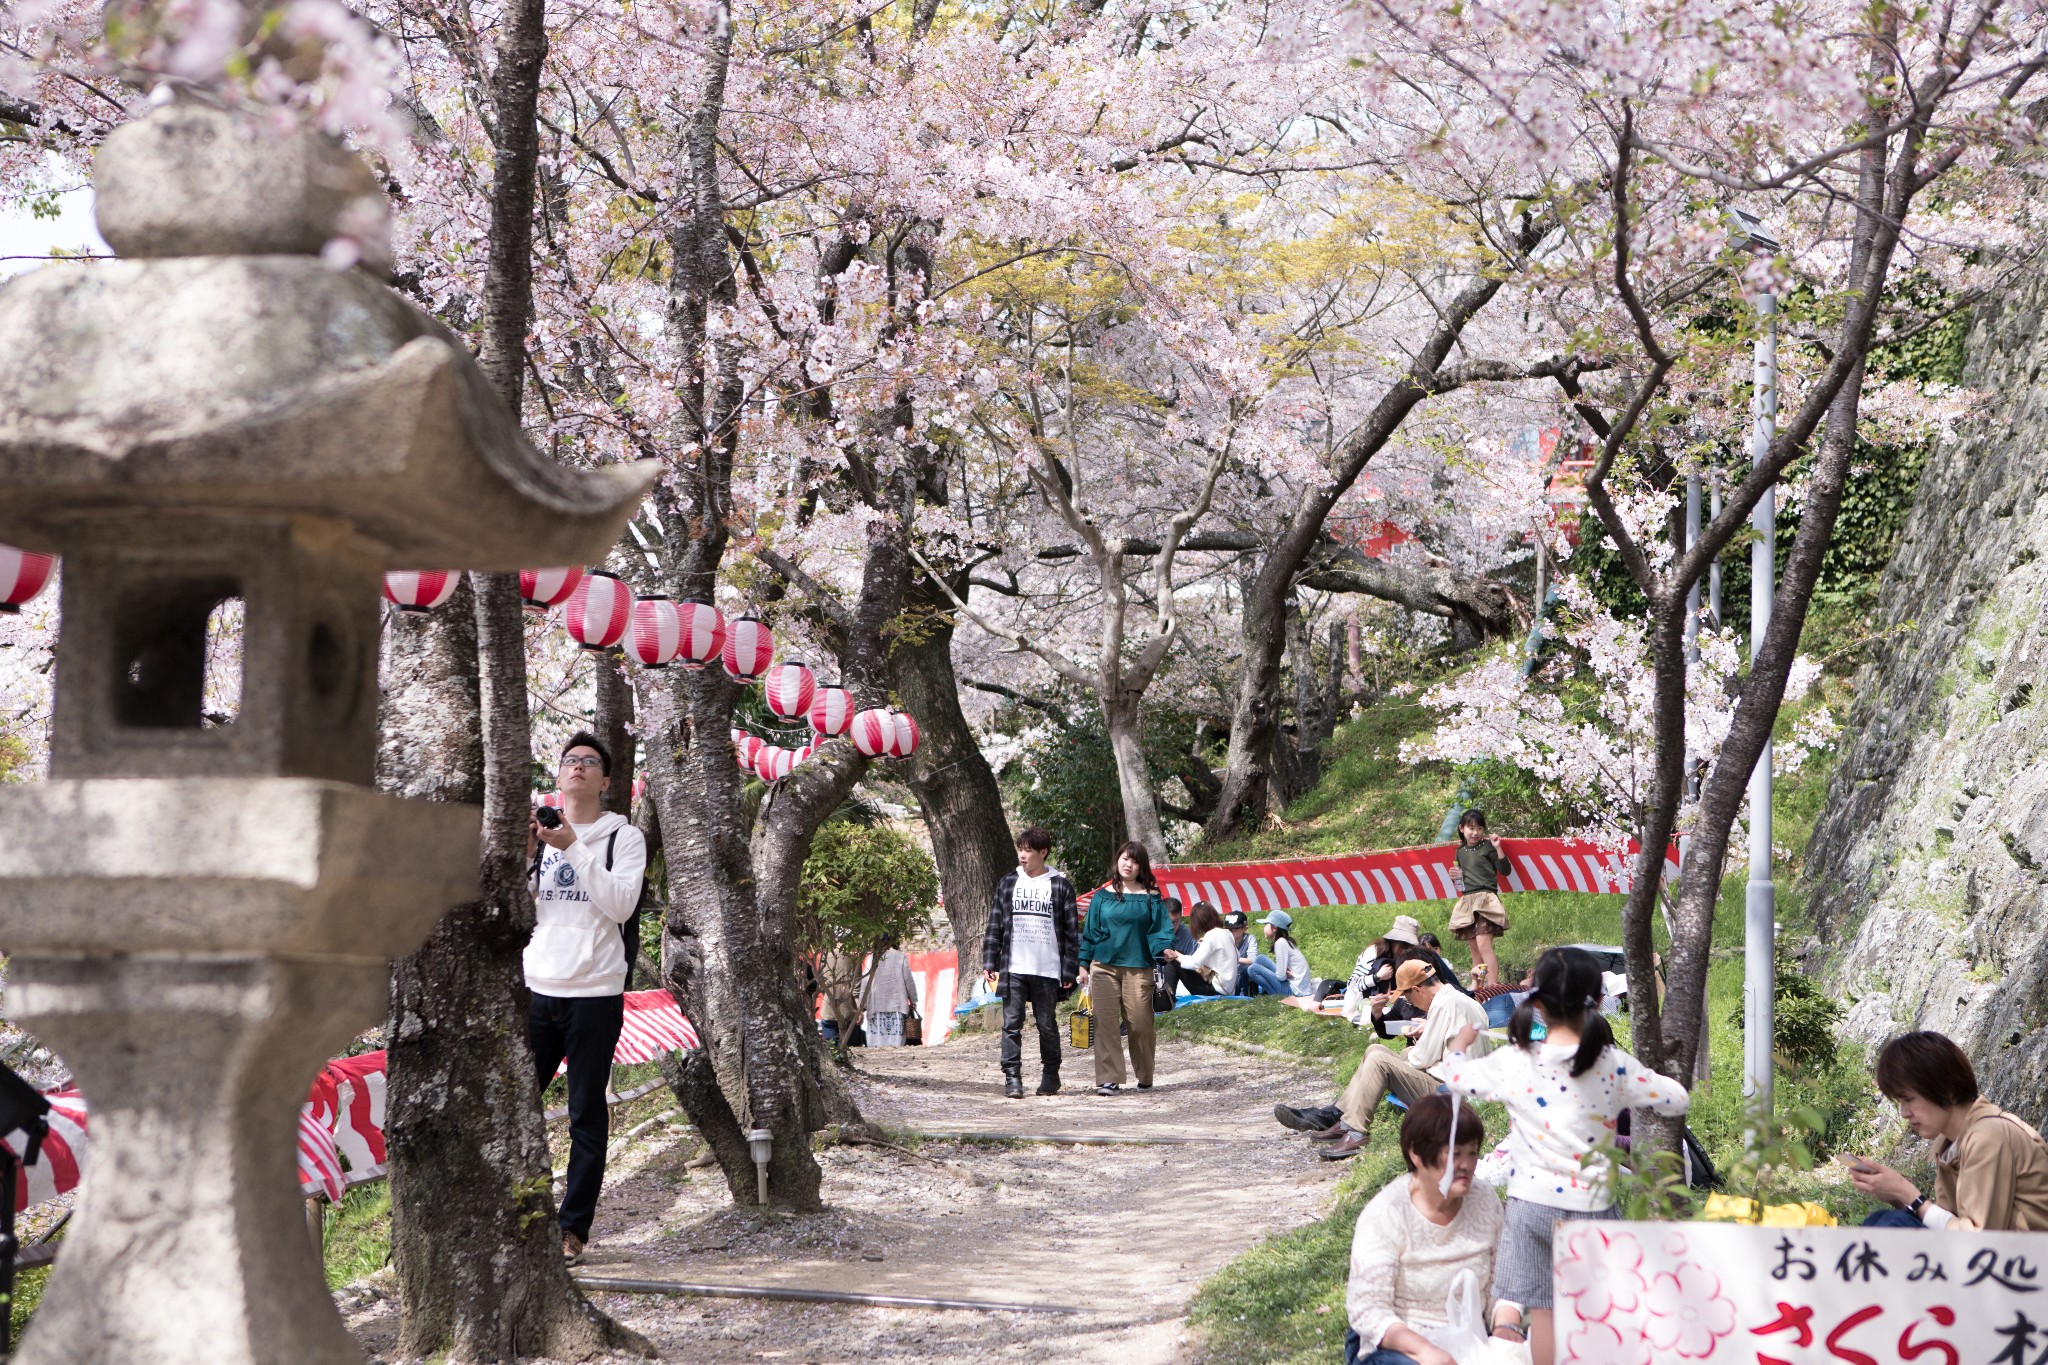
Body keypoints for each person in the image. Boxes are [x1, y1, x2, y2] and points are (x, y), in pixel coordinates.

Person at [1438, 946, 1690, 1365]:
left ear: (1535, 1001)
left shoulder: (1514, 1061)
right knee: (1597, 1313)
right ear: (1597, 1001)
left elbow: (1456, 1075)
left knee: (1546, 1313)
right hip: (1591, 1206)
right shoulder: (1612, 1064)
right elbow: (1676, 1099)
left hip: (1530, 1206)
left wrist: (1461, 1045)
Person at [525, 731, 647, 1264]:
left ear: (606, 780)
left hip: (595, 993)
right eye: (570, 760)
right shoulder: (537, 832)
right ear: (558, 775)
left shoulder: (624, 838)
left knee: (584, 1115)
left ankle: (572, 1229)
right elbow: (518, 907)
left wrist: (571, 845)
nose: (577, 767)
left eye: (589, 762)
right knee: (514, 1108)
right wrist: (529, 853)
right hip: (537, 989)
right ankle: (520, 1216)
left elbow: (620, 905)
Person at [1344, 1093, 1525, 1365]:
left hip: (1471, 1337)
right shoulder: (1386, 1213)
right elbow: (1368, 1311)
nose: (1466, 1165)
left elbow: (1505, 1280)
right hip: (1401, 1344)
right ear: (1416, 1154)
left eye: (1472, 1153)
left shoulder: (1485, 1200)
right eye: (1454, 1155)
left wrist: (1506, 1328)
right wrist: (1426, 1352)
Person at [1275, 958, 1490, 1161]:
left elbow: (1422, 1058)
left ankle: (1357, 1131)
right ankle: (1346, 1119)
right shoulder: (1457, 999)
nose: (1411, 1003)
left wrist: (1402, 1060)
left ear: (1417, 989)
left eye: (1408, 997)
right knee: (1375, 1049)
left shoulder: (1444, 1005)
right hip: (1461, 1083)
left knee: (1379, 1060)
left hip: (1454, 1095)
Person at [1848, 1031, 2048, 1231]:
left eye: (1908, 1099)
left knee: (1890, 1224)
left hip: (2029, 1259)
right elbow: (1946, 1222)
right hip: (2001, 1257)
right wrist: (1896, 1195)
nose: (1904, 1113)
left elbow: (1979, 1240)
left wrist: (1907, 1193)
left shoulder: (1989, 1135)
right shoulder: (1948, 1143)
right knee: (1880, 1220)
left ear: (1947, 1089)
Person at [982, 827, 1079, 1099]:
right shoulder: (1009, 882)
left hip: (1047, 969)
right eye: (1020, 850)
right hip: (1013, 968)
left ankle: (1051, 1075)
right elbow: (995, 924)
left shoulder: (1060, 884)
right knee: (1011, 1024)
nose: (1023, 856)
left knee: (1046, 1024)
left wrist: (1069, 969)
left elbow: (1071, 932)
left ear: (1043, 852)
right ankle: (1012, 1078)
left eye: (1028, 851)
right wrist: (990, 961)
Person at [1077, 841, 1175, 1095]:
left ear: (1141, 866)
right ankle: (1109, 1078)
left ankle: (1145, 1075)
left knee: (1140, 1023)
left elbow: (1160, 931)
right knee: (1105, 1023)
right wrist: (1083, 964)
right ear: (1117, 860)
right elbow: (1090, 933)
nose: (1128, 864)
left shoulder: (1152, 897)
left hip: (1139, 966)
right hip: (1103, 966)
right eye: (1124, 858)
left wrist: (1163, 948)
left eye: (1134, 860)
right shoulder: (1102, 896)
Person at [1449, 810, 1510, 985]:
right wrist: (1454, 876)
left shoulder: (1487, 847)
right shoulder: (1460, 852)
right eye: (1471, 828)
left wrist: (1498, 847)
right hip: (1467, 901)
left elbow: (1505, 870)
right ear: (1462, 828)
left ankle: (1492, 984)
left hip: (1486, 900)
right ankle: (1478, 983)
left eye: (1479, 828)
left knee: (1484, 944)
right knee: (1475, 948)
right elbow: (1461, 881)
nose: (1475, 832)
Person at [857, 934, 919, 1047]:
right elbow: (908, 980)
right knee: (896, 1044)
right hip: (897, 1005)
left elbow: (865, 982)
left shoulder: (872, 957)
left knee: (877, 1044)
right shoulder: (900, 956)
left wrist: (861, 1006)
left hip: (877, 1006)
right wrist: (913, 1000)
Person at [1165, 902, 1238, 996]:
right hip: (1229, 990)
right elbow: (1237, 955)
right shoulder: (1227, 933)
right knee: (1179, 955)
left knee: (1173, 961)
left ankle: (1167, 999)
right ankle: (1167, 997)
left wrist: (1174, 953)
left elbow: (1193, 964)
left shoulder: (1211, 935)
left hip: (1216, 990)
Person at [1245, 910, 1314, 998]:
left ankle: (1274, 995)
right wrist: (1284, 973)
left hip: (1295, 991)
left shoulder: (1280, 943)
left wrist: (1284, 974)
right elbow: (1282, 975)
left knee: (1252, 969)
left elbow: (1281, 977)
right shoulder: (1285, 941)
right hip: (1299, 987)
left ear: (1274, 928)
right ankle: (1273, 993)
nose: (1264, 927)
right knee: (1260, 958)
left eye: (1266, 924)